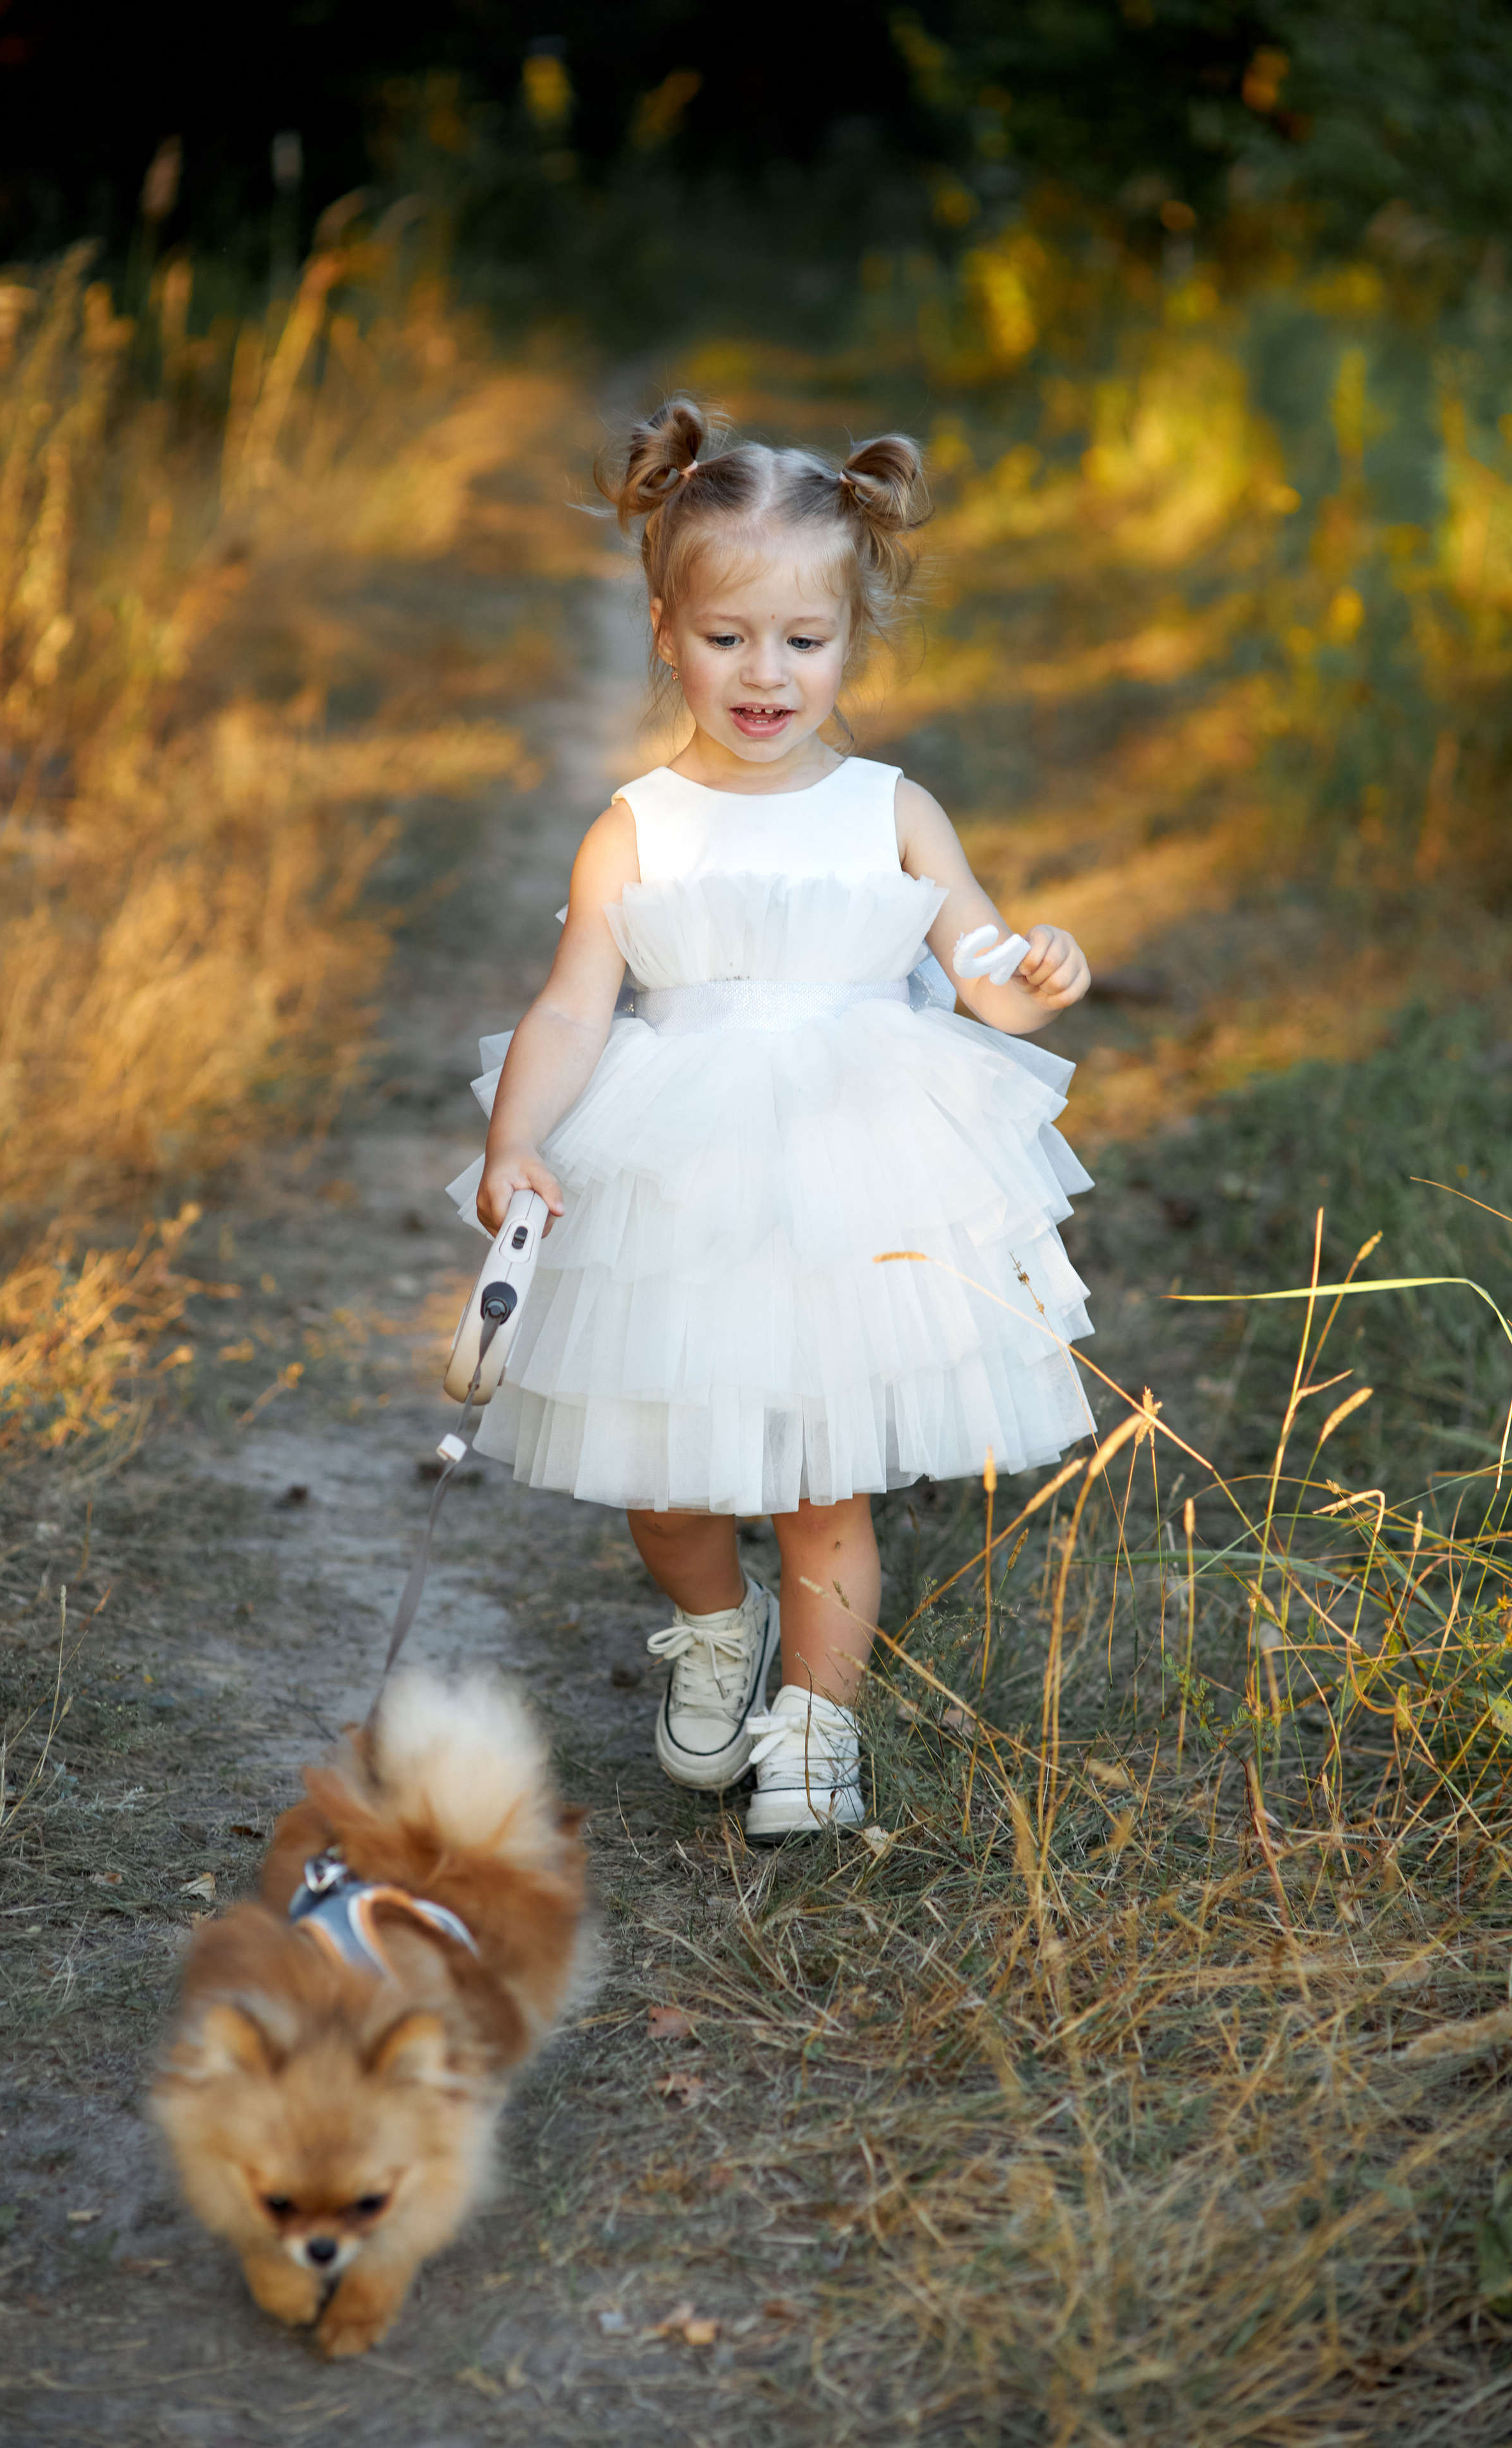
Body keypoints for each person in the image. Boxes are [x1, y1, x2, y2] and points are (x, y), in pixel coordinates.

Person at [447, 397, 1094, 1839]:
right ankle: (713, 1621)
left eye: (803, 641)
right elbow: (569, 1010)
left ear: (849, 644)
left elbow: (982, 971)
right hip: (678, 1181)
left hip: (854, 1181)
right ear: (666, 629)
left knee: (822, 1484)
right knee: (667, 1475)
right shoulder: (635, 824)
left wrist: (1037, 971)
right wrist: (515, 1141)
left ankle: (815, 1730)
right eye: (727, 636)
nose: (764, 672)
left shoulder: (889, 807)